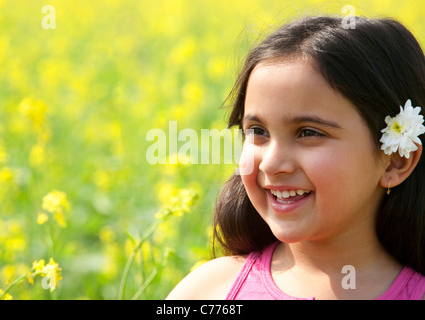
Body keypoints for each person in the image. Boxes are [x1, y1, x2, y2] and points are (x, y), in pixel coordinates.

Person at [166, 16, 425, 300]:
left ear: (396, 160)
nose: (271, 164)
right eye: (258, 131)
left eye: (308, 133)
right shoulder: (210, 291)